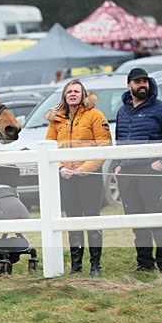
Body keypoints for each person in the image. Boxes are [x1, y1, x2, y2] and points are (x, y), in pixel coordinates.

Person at [45, 79, 111, 277]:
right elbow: (49, 145)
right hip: (66, 177)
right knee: (71, 220)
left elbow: (104, 146)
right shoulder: (57, 119)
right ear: (64, 96)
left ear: (83, 94)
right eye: (69, 92)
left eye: (76, 91)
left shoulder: (95, 116)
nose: (72, 94)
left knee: (92, 219)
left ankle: (95, 265)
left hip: (89, 177)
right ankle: (76, 265)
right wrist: (60, 168)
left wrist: (85, 168)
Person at [113, 67, 162, 273]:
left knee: (158, 218)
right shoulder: (122, 111)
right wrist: (117, 163)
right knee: (136, 219)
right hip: (127, 172)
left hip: (152, 171)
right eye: (137, 82)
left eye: (145, 81)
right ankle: (144, 263)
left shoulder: (161, 109)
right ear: (129, 85)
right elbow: (119, 141)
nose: (142, 85)